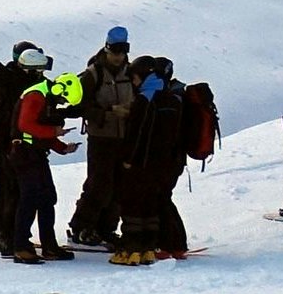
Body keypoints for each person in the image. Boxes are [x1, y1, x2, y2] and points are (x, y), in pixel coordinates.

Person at [117, 56, 194, 264]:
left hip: (145, 163)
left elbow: (138, 132)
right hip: (170, 160)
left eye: (133, 78)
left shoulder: (147, 97)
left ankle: (138, 248)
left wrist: (128, 159)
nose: (132, 83)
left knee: (140, 203)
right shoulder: (171, 95)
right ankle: (157, 245)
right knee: (157, 200)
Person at [0, 60, 75, 265]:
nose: (60, 103)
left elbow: (39, 129)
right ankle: (21, 246)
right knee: (30, 198)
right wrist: (54, 132)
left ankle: (49, 246)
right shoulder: (36, 96)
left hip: (35, 153)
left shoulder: (44, 96)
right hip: (24, 153)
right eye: (61, 98)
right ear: (59, 88)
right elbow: (26, 125)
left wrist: (61, 147)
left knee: (47, 197)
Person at [71, 25, 138, 250]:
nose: (119, 56)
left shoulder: (131, 72)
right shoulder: (94, 74)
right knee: (99, 184)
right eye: (116, 51)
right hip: (101, 137)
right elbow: (81, 106)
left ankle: (106, 228)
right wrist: (109, 113)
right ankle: (81, 227)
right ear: (107, 49)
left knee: (121, 185)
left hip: (124, 137)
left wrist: (131, 111)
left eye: (123, 50)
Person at [0, 40, 44, 254]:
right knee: (8, 188)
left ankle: (9, 234)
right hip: (6, 143)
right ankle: (1, 235)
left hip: (18, 142)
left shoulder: (23, 78)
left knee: (14, 189)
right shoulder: (6, 80)